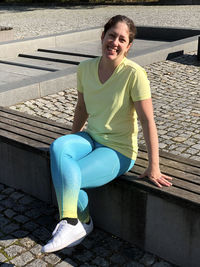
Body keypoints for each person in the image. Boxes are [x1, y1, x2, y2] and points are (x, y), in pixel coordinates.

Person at [41, 15, 172, 253]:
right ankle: (75, 222)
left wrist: (154, 166)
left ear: (128, 46)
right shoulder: (85, 68)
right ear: (102, 36)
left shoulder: (134, 74)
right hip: (91, 138)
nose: (115, 42)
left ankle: (76, 221)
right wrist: (73, 140)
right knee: (59, 147)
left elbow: (147, 120)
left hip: (118, 150)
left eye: (122, 39)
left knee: (71, 177)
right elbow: (81, 108)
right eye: (111, 35)